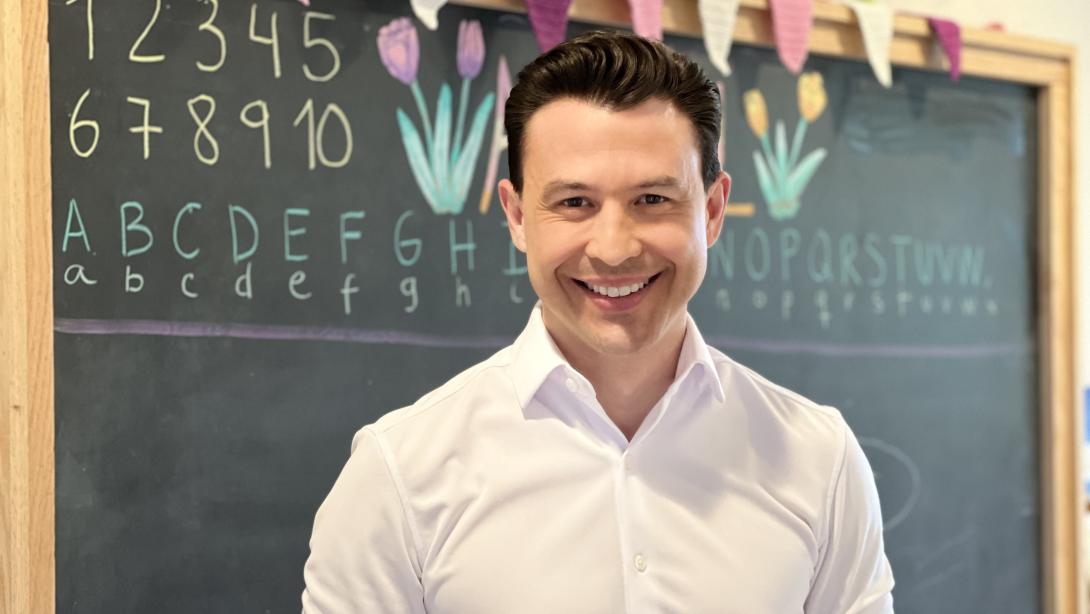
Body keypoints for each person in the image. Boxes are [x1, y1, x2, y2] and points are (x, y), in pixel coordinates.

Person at [302, 30, 895, 613]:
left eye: (653, 200)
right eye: (574, 203)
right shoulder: (400, 475)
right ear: (515, 215)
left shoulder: (818, 460)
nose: (613, 249)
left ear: (712, 212)